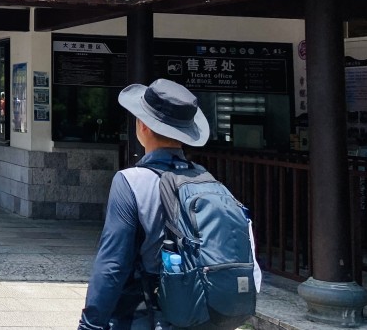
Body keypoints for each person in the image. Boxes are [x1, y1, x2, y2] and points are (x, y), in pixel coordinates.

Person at [78, 79, 261, 330]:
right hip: (204, 317)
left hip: (145, 317)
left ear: (142, 125)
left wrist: (90, 325)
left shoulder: (130, 182)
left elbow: (112, 265)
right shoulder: (207, 180)